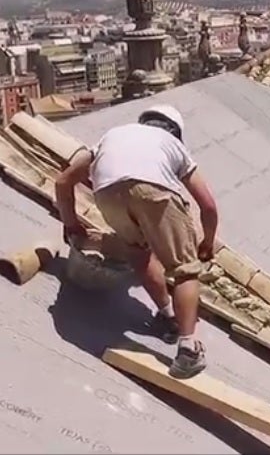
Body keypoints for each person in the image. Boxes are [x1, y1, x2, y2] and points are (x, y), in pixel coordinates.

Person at [54, 105, 219, 379]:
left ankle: (168, 317)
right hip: (154, 191)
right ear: (174, 131)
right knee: (185, 270)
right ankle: (188, 348)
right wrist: (208, 242)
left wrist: (71, 224)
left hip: (107, 193)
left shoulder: (112, 135)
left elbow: (63, 182)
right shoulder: (172, 145)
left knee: (139, 254)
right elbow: (208, 206)